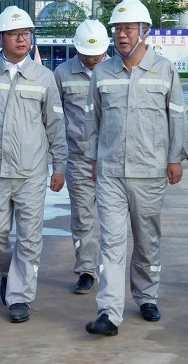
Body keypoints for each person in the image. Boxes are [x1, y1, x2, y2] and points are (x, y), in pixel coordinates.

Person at [83, 0, 188, 337]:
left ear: (145, 31)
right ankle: (109, 312)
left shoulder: (165, 70)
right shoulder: (102, 72)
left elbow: (177, 117)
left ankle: (146, 296)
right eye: (117, 29)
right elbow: (92, 120)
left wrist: (175, 157)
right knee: (111, 243)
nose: (121, 35)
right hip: (111, 173)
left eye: (128, 28)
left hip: (150, 171)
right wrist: (93, 158)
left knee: (146, 241)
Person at [0, 5, 66, 325]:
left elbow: (55, 125)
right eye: (15, 34)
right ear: (0, 38)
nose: (22, 39)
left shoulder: (44, 77)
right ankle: (7, 271)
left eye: (26, 33)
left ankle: (19, 296)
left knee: (30, 237)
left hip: (31, 173)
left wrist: (59, 165)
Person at [54, 18, 110, 295]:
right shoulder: (62, 74)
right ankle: (87, 270)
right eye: (86, 55)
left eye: (96, 55)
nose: (91, 60)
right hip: (78, 159)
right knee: (83, 218)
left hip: (112, 159)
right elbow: (54, 117)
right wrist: (57, 161)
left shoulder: (117, 72)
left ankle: (111, 269)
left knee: (113, 219)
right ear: (76, 49)